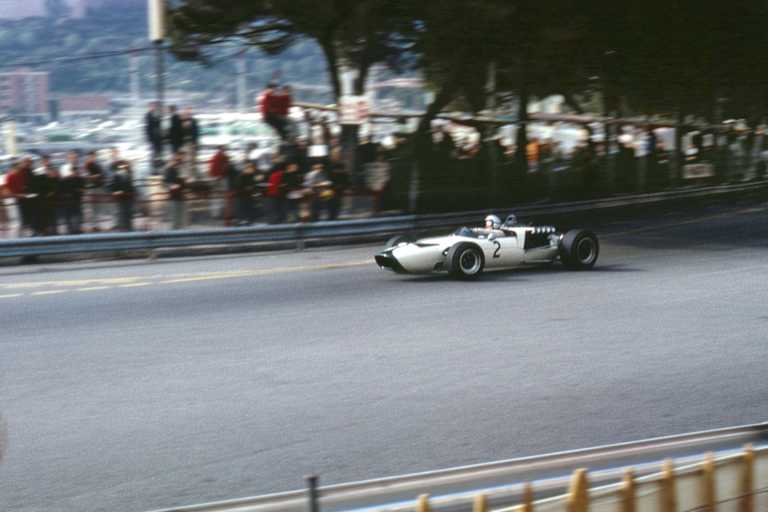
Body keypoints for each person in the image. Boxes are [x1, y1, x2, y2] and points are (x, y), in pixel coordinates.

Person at [57, 152, 85, 234]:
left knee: (77, 214)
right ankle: (70, 230)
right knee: (68, 214)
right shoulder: (64, 167)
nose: (73, 159)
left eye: (75, 157)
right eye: (72, 157)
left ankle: (77, 229)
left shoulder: (80, 167)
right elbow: (62, 180)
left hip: (77, 196)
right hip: (67, 197)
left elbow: (82, 181)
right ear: (68, 158)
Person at [6, 158, 32, 237]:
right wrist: (18, 195)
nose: (18, 168)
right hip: (15, 200)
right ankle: (18, 236)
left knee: (24, 218)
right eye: (17, 167)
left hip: (23, 199)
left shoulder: (19, 174)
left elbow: (24, 186)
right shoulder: (10, 176)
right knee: (17, 220)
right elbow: (9, 191)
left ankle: (24, 234)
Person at [83, 151, 106, 231]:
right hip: (90, 188)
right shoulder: (86, 165)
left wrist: (94, 176)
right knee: (91, 208)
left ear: (95, 157)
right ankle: (93, 225)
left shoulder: (98, 165)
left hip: (97, 188)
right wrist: (95, 176)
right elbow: (86, 177)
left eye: (93, 157)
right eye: (90, 157)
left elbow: (102, 175)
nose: (92, 158)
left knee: (97, 207)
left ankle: (97, 225)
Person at [110, 161, 135, 231]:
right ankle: (122, 228)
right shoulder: (116, 176)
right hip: (120, 197)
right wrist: (115, 192)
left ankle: (129, 228)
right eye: (121, 167)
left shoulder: (129, 175)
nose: (123, 168)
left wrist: (131, 193)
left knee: (128, 213)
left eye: (124, 166)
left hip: (128, 197)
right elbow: (112, 186)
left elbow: (131, 186)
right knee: (121, 212)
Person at [164, 152, 186, 229]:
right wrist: (179, 184)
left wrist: (180, 184)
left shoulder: (179, 169)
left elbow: (182, 182)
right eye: (178, 159)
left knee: (180, 217)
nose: (180, 161)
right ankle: (175, 232)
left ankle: (179, 231)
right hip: (174, 196)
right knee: (175, 217)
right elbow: (169, 183)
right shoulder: (170, 170)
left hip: (179, 195)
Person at [145, 102, 163, 172]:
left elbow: (159, 124)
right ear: (149, 107)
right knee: (153, 153)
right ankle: (153, 167)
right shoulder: (148, 115)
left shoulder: (157, 115)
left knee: (159, 152)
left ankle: (159, 166)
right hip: (152, 138)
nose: (153, 108)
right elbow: (148, 127)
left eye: (154, 106)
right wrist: (149, 138)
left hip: (158, 138)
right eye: (152, 106)